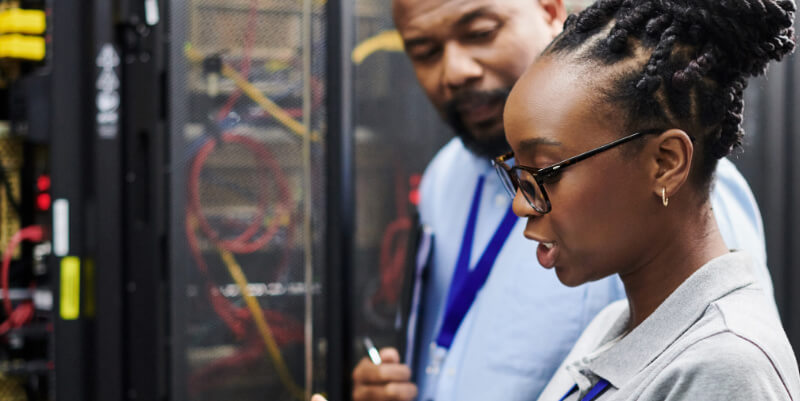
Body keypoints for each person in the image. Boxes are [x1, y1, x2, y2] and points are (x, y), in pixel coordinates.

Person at [351, 0, 775, 400]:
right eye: (424, 51)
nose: (455, 70)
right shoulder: (443, 180)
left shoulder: (723, 346)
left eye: (480, 32)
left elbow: (709, 329)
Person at [492, 0, 799, 399]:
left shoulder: (727, 365)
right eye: (517, 172)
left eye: (546, 172)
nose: (520, 204)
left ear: (665, 164)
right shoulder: (612, 326)